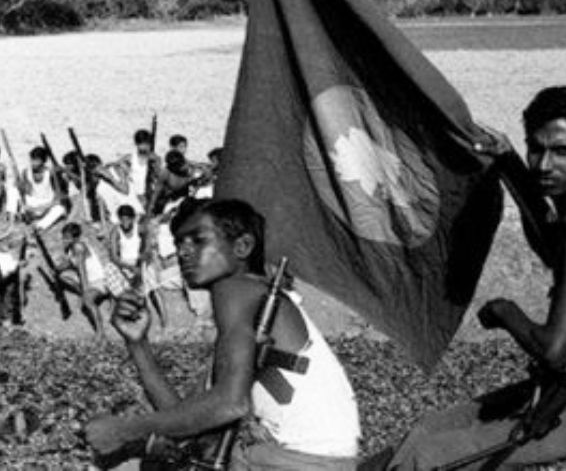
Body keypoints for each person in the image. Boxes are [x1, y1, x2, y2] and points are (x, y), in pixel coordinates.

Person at [386, 85, 566, 470]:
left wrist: (505, 311)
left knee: (427, 457)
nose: (545, 165)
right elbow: (548, 240)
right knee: (430, 428)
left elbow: (554, 351)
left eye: (562, 151)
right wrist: (510, 160)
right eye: (536, 148)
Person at [84, 198, 361, 468]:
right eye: (179, 242)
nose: (183, 251)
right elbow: (186, 419)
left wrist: (124, 429)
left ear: (242, 246)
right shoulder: (250, 311)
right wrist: (138, 343)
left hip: (305, 461)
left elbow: (231, 404)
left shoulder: (238, 290)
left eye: (198, 240)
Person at [59, 222, 128, 342]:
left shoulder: (78, 246)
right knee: (64, 276)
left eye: (67, 237)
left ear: (75, 238)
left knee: (88, 301)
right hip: (90, 280)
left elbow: (82, 270)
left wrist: (86, 291)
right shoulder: (71, 249)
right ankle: (88, 293)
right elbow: (69, 264)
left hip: (98, 281)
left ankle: (100, 333)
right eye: (64, 237)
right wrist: (57, 268)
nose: (64, 240)